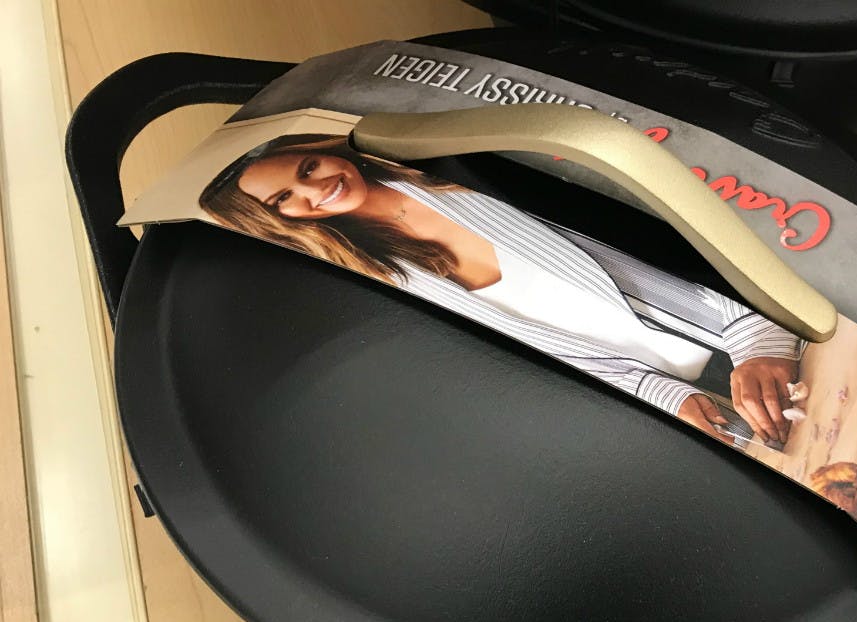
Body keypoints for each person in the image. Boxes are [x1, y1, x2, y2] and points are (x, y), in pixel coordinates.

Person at [200, 133, 805, 444]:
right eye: (284, 199)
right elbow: (534, 360)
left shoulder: (458, 171)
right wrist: (662, 398)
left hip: (760, 318)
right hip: (670, 407)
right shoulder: (384, 283)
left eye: (307, 167)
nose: (315, 189)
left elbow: (649, 235)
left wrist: (756, 336)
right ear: (278, 223)